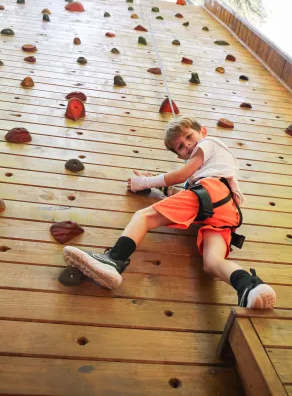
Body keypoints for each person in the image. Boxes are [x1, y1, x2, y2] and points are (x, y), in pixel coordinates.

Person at [63, 115, 276, 309]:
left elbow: (180, 175)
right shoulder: (211, 167)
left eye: (189, 136)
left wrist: (143, 182)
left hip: (212, 194)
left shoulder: (209, 143)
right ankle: (248, 287)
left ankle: (114, 260)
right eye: (181, 147)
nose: (188, 145)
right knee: (212, 263)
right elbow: (184, 191)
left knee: (143, 217)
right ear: (179, 154)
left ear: (203, 131)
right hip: (226, 212)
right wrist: (154, 186)